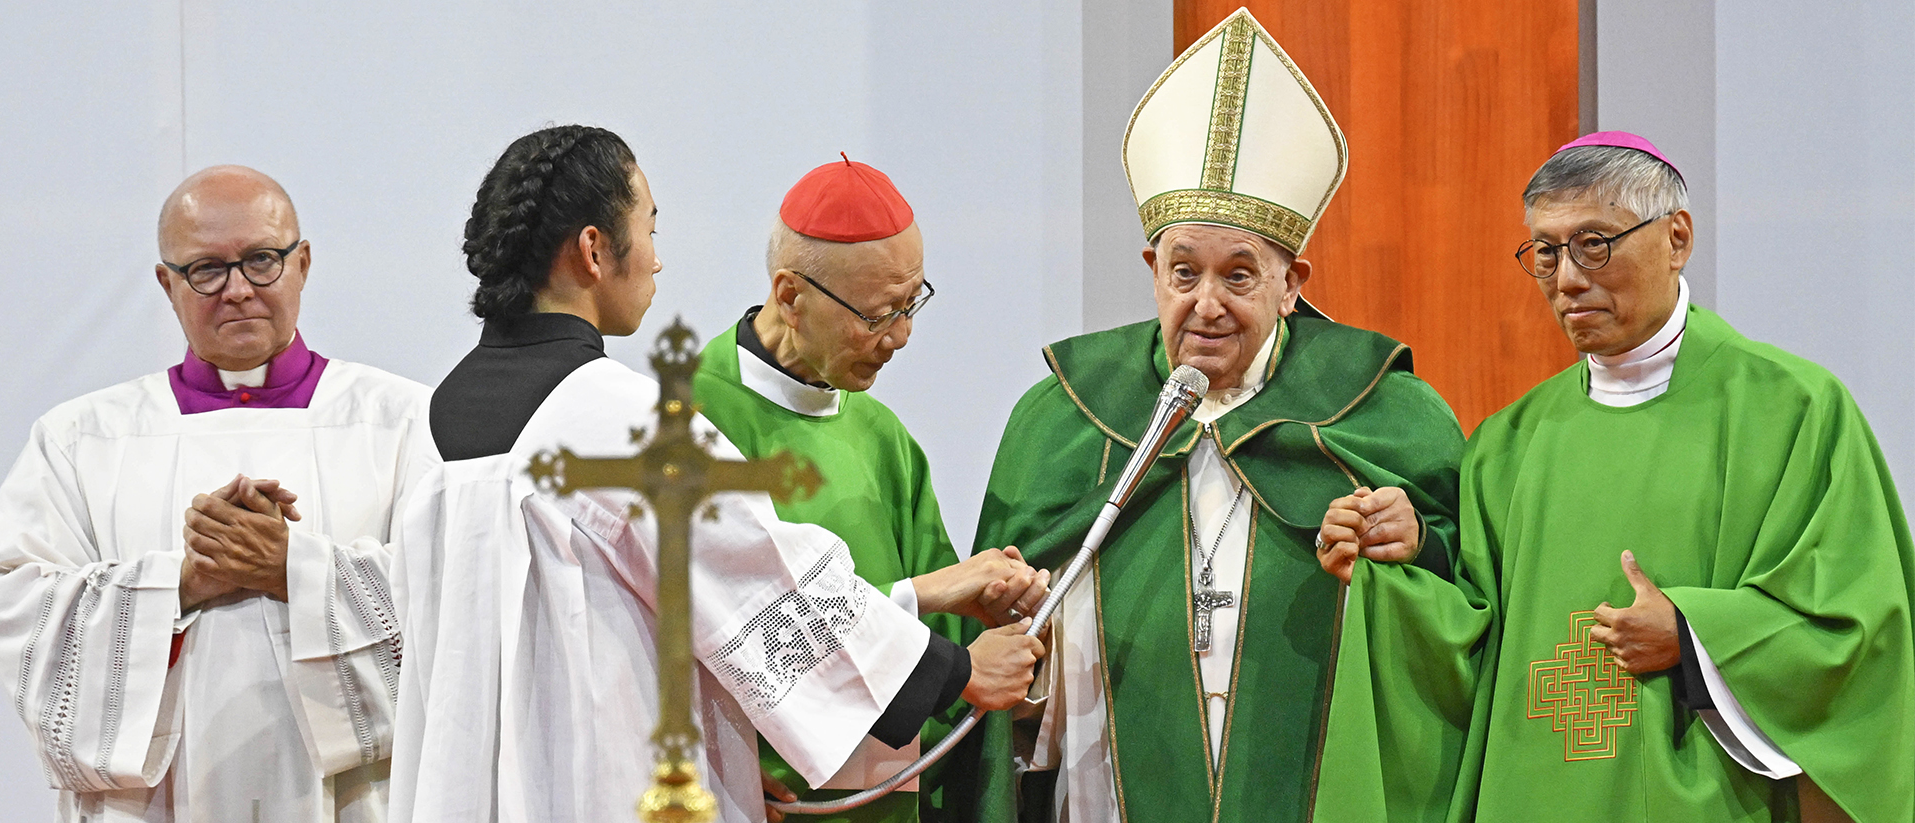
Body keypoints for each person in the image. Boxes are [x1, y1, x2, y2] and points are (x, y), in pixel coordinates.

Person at [391, 125, 1046, 823]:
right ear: (592, 250)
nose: (657, 259)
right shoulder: (620, 418)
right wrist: (959, 671)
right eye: (649, 228)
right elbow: (765, 583)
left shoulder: (435, 420)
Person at [973, 10, 1469, 822]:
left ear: (1292, 281)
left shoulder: (1384, 410)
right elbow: (999, 636)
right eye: (1183, 272)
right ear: (1151, 270)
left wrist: (1416, 543)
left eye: (1240, 275)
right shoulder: (1063, 415)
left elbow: (1471, 600)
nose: (1206, 304)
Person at [1429, 131, 1914, 822]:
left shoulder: (1792, 409)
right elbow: (1462, 638)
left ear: (1676, 238)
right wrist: (1405, 552)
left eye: (1594, 243)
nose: (1567, 277)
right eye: (1545, 251)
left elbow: (1860, 629)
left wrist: (1694, 635)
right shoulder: (1507, 444)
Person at [0, 165, 433, 821]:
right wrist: (181, 583)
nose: (237, 290)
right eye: (206, 269)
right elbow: (17, 603)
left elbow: (454, 593)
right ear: (166, 283)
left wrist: (295, 568)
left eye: (261, 260)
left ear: (303, 262)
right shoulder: (80, 438)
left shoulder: (405, 421)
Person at [693, 156, 1048, 823]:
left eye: (912, 303)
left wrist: (995, 607)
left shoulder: (882, 436)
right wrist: (719, 767)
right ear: (790, 295)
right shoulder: (691, 421)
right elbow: (735, 635)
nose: (903, 335)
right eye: (880, 313)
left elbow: (946, 648)